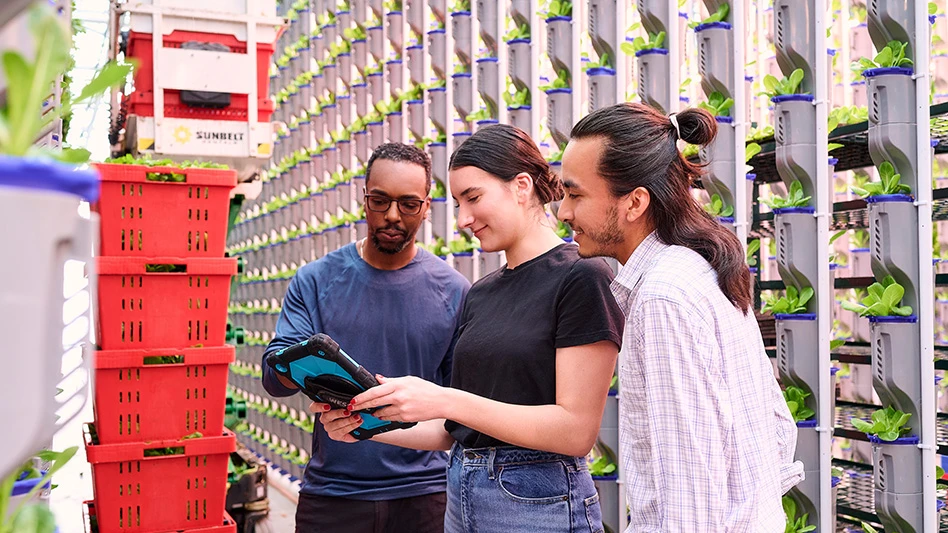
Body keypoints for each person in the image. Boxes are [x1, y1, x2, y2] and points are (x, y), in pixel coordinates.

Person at [313, 124, 625, 533]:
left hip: (537, 506)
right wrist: (366, 424)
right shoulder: (480, 292)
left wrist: (444, 399)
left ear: (521, 186)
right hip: (462, 497)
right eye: (458, 203)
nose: (462, 219)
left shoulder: (582, 276)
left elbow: (575, 432)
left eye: (473, 198)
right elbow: (455, 431)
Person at [556, 102, 803, 532]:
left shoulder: (663, 297)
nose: (563, 212)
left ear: (634, 202)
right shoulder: (699, 267)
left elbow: (690, 504)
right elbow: (778, 429)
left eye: (575, 195)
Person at [262, 142, 471, 533]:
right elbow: (274, 379)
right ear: (364, 200)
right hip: (333, 493)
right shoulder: (316, 280)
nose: (392, 215)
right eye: (380, 201)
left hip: (425, 495)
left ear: (427, 208)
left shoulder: (454, 290)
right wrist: (303, 369)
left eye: (408, 204)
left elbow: (458, 408)